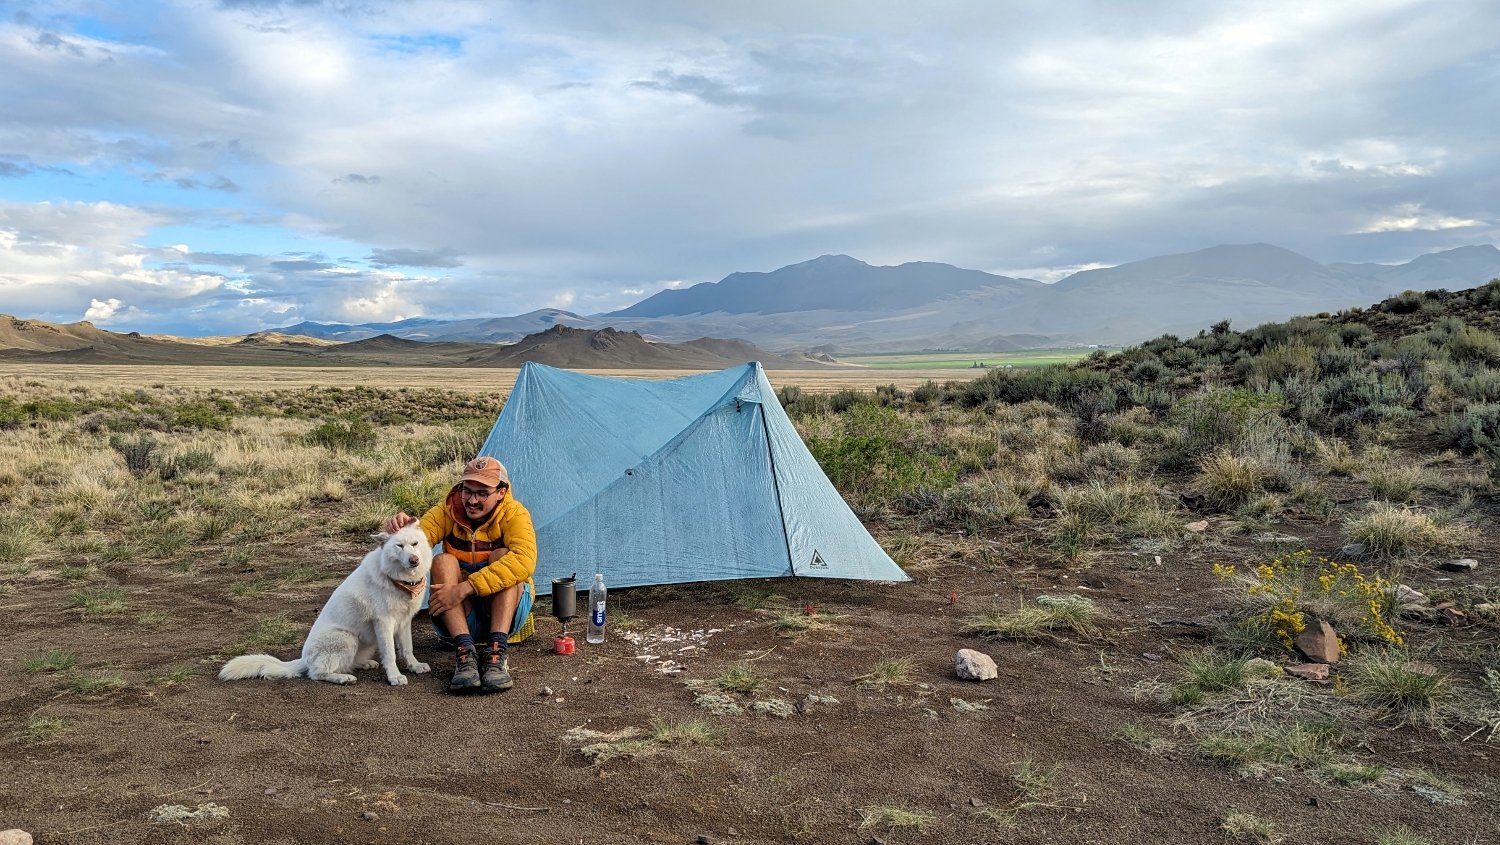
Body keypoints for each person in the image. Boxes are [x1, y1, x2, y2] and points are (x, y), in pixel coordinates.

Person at [384, 456, 536, 694]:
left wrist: (464, 588)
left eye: (483, 493)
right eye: (467, 490)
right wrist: (402, 532)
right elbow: (418, 541)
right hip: (460, 618)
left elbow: (524, 561)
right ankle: (465, 654)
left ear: (501, 492)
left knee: (504, 557)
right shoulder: (447, 510)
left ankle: (496, 653)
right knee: (443, 561)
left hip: (505, 615)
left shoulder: (515, 514)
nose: (472, 500)